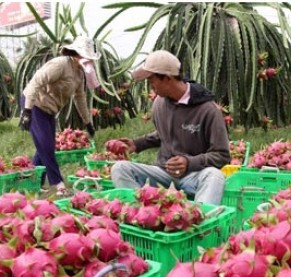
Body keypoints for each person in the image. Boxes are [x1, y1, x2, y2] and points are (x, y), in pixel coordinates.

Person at [111, 50, 230, 205]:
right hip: (163, 174)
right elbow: (163, 134)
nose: (150, 86)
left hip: (193, 175)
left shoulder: (208, 110)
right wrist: (137, 144)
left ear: (167, 79)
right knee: (120, 169)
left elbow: (222, 155)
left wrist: (189, 162)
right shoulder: (159, 104)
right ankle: (144, 214)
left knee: (214, 176)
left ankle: (201, 221)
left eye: (152, 81)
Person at [20, 36, 100, 196]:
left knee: (44, 147)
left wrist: (87, 122)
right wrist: (27, 110)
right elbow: (35, 83)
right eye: (86, 55)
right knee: (46, 146)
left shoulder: (79, 73)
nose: (87, 59)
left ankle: (31, 183)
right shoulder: (60, 64)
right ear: (77, 53)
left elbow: (80, 98)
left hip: (49, 110)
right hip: (35, 104)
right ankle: (59, 185)